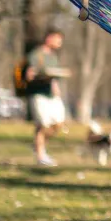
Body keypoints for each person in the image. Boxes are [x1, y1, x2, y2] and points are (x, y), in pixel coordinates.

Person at [25, 29, 71, 166]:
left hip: (51, 95)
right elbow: (29, 74)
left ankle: (38, 145)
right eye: (58, 39)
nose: (59, 43)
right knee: (42, 125)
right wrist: (35, 76)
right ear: (49, 38)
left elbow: (54, 77)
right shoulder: (36, 55)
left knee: (59, 123)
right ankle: (40, 156)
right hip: (39, 94)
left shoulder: (53, 57)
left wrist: (56, 87)